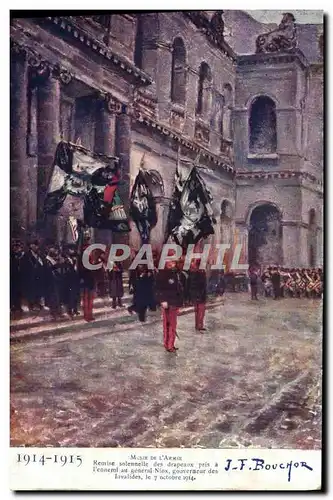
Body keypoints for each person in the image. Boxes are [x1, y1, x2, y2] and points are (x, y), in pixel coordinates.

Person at [155, 259, 184, 353]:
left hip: (174, 303)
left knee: (172, 324)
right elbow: (158, 289)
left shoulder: (175, 273)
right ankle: (168, 344)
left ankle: (170, 344)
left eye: (174, 262)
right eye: (170, 262)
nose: (173, 264)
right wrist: (162, 300)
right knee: (168, 325)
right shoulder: (161, 274)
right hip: (167, 302)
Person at [21, 240, 46, 311]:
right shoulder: (26, 255)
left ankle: (39, 304)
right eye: (33, 245)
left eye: (36, 245)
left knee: (39, 290)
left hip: (39, 276)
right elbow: (24, 267)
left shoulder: (39, 254)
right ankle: (31, 305)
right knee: (31, 292)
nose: (35, 247)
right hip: (30, 276)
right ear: (30, 246)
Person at [44, 246, 65, 320]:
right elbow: (50, 270)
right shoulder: (47, 260)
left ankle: (59, 313)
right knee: (53, 299)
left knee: (58, 298)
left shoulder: (53, 259)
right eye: (53, 249)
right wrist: (58, 264)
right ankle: (54, 314)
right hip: (51, 282)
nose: (55, 251)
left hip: (57, 282)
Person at [188, 259, 208, 332]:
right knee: (201, 311)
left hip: (195, 294)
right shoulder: (200, 273)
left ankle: (197, 325)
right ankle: (199, 325)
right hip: (200, 295)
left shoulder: (193, 273)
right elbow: (202, 285)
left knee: (197, 311)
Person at [63, 244, 81, 318]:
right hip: (69, 280)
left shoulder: (76, 258)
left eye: (73, 249)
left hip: (76, 279)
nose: (72, 251)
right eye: (71, 249)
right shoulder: (65, 259)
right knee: (70, 296)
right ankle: (69, 311)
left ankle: (75, 309)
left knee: (76, 295)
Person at [10, 240, 24, 314]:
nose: (17, 248)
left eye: (18, 247)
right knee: (12, 292)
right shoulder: (11, 255)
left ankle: (18, 306)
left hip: (19, 277)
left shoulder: (20, 256)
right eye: (15, 246)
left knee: (18, 292)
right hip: (12, 277)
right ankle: (12, 307)